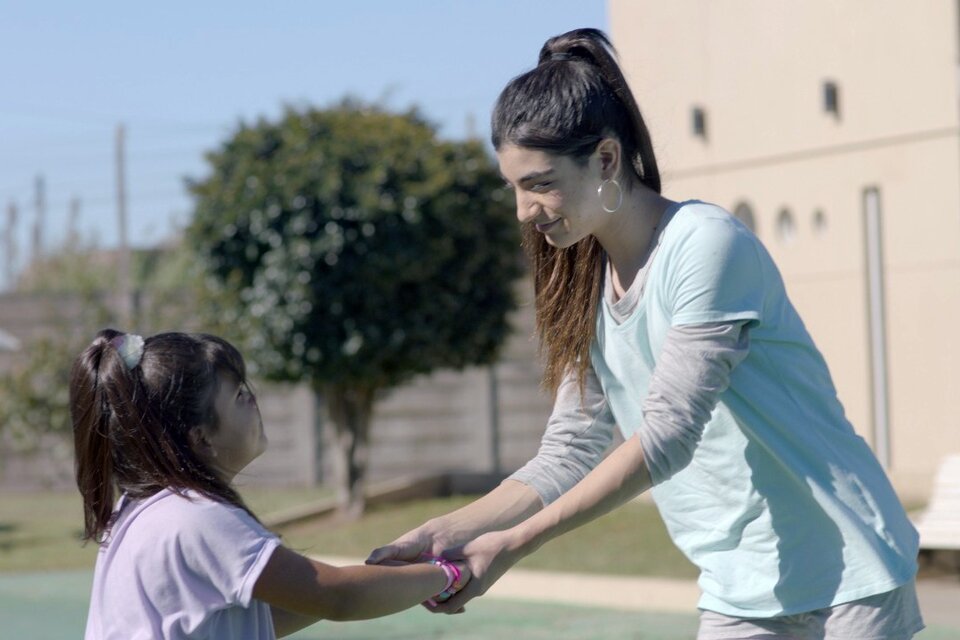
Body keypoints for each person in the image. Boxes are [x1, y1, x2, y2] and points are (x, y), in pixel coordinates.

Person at [367, 28, 924, 639]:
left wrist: (513, 544)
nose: (524, 211)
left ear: (605, 159)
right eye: (515, 187)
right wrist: (444, 534)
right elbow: (571, 448)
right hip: (738, 584)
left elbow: (666, 434)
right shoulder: (582, 280)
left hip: (849, 574)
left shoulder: (706, 245)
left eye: (540, 183)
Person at [71, 329, 468, 640]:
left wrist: (401, 578)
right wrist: (448, 574)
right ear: (200, 437)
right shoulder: (195, 519)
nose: (253, 400)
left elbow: (250, 619)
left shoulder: (145, 510)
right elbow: (338, 596)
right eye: (238, 394)